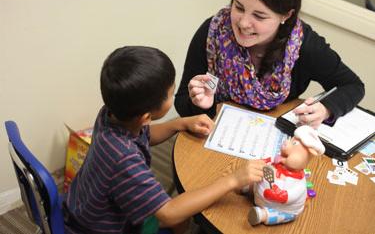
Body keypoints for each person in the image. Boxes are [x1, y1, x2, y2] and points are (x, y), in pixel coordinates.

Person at [63, 46, 266, 234]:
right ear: (146, 117)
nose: (174, 94)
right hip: (100, 228)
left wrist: (179, 124)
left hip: (82, 204)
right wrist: (233, 179)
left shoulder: (112, 113)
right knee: (179, 220)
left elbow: (145, 134)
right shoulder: (123, 159)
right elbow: (167, 213)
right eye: (171, 93)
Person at [174, 0, 365, 129]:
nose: (243, 23)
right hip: (215, 136)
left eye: (259, 15)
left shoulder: (304, 44)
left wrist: (326, 109)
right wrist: (200, 104)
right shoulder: (213, 32)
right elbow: (182, 102)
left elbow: (353, 86)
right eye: (238, 7)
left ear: (285, 15)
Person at [248, 125, 325, 225]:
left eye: (294, 144)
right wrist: (264, 162)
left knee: (281, 215)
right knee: (254, 177)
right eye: (291, 140)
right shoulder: (277, 161)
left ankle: (262, 215)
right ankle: (248, 188)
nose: (286, 144)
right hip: (260, 196)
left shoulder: (298, 183)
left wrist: (281, 196)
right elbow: (268, 162)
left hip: (281, 209)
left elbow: (293, 195)